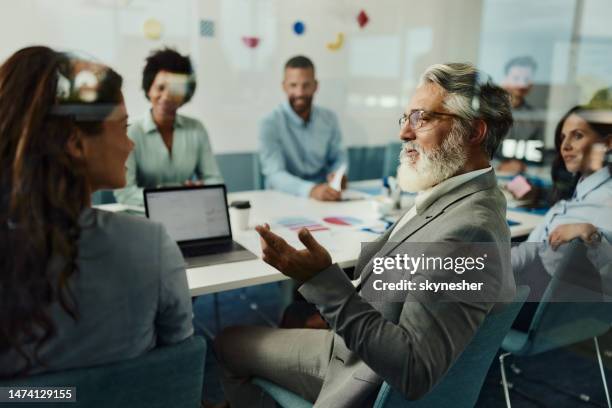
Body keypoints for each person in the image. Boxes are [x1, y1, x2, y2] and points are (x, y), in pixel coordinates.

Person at [214, 62, 516, 406]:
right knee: (273, 325)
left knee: (227, 343)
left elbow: (414, 369)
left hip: (359, 373)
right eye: (405, 119)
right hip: (361, 338)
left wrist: (322, 281)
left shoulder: (468, 230)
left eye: (422, 118)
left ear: (474, 132)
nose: (404, 133)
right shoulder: (464, 195)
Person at [0, 47, 193, 378]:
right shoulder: (151, 245)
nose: (129, 143)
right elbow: (179, 358)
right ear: (76, 144)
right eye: (121, 127)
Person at [510, 105, 612, 330]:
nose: (565, 146)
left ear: (607, 143)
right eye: (563, 137)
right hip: (535, 295)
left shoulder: (606, 202)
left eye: (578, 135)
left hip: (545, 314)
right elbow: (531, 249)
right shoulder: (575, 195)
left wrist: (591, 235)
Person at [114, 48, 222, 206]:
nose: (166, 97)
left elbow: (216, 181)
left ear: (185, 94)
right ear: (149, 88)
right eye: (160, 88)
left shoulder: (197, 129)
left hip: (188, 215)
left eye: (175, 89)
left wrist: (200, 191)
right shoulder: (131, 132)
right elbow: (125, 193)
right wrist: (178, 197)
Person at [259, 55, 347, 201]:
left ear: (315, 86)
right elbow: (275, 174)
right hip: (282, 198)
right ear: (284, 86)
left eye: (306, 85)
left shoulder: (329, 119)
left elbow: (339, 157)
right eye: (293, 85)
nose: (300, 93)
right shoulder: (269, 123)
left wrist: (338, 176)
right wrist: (311, 190)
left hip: (324, 197)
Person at [498, 56, 544, 173]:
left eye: (526, 79)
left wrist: (524, 168)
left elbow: (539, 156)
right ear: (506, 79)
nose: (521, 84)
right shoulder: (488, 112)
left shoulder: (536, 117)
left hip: (523, 177)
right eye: (516, 78)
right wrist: (499, 166)